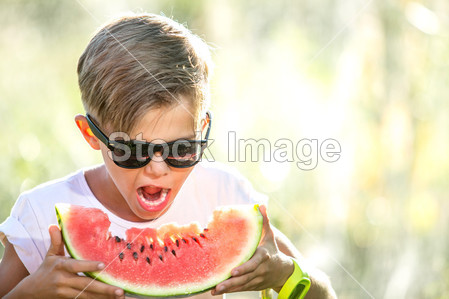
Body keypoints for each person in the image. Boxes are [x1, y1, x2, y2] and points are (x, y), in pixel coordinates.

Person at [0, 13, 337, 299]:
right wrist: (30, 293)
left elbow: (326, 293)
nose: (157, 169)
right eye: (131, 151)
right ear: (91, 134)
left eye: (182, 149)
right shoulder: (41, 215)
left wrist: (285, 274)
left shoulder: (223, 195)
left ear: (202, 127)